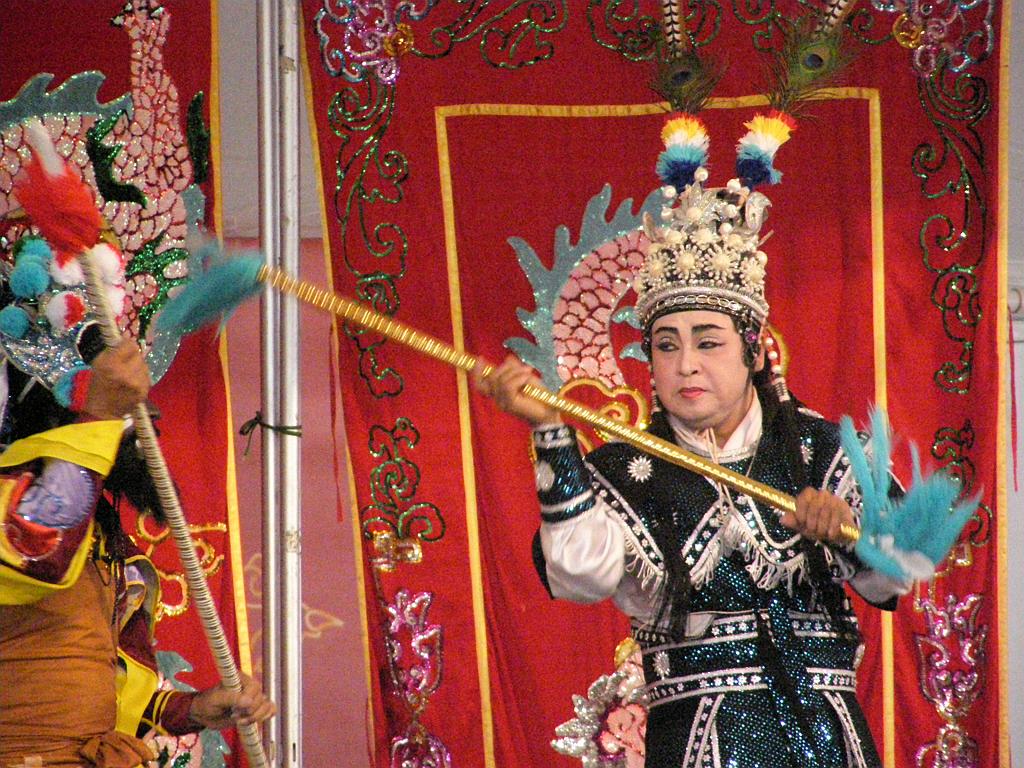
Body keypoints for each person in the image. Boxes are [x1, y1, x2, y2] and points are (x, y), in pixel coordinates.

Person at [475, 159, 911, 766]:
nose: (685, 365)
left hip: (828, 743)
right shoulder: (626, 471)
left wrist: (849, 531)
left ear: (753, 352)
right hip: (693, 746)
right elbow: (580, 575)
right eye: (666, 345)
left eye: (708, 342)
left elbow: (902, 570)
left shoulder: (827, 450)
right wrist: (550, 431)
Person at [0, 327, 274, 764]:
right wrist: (99, 417)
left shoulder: (105, 540)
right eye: (120, 401)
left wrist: (192, 709)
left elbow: (114, 686)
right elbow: (39, 549)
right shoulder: (15, 506)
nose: (147, 418)